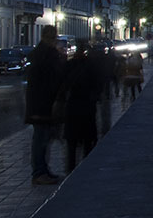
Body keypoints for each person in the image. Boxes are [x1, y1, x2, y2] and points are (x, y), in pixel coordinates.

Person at [25, 26, 65, 185]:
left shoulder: (40, 54)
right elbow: (51, 79)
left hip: (39, 103)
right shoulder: (46, 55)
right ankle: (39, 172)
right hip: (42, 104)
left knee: (42, 138)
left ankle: (42, 170)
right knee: (41, 139)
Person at [63, 41, 100, 173]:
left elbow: (63, 86)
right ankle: (85, 169)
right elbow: (97, 85)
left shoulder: (69, 65)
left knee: (72, 144)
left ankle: (70, 170)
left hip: (73, 107)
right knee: (87, 141)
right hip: (86, 107)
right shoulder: (91, 66)